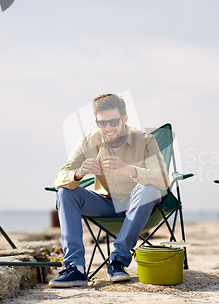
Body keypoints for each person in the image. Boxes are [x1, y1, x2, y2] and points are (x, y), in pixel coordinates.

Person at [49, 94, 169, 287]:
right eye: (102, 123)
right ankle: (75, 268)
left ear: (125, 118)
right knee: (65, 191)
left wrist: (129, 169)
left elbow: (163, 178)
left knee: (148, 189)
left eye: (113, 122)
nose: (108, 128)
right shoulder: (88, 142)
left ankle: (118, 261)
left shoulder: (146, 140)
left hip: (139, 204)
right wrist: (78, 174)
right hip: (106, 204)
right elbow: (60, 177)